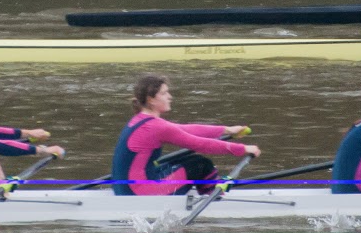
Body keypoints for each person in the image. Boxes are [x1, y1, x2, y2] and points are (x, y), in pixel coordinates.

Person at [110, 73, 260, 196]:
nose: (170, 97)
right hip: (138, 193)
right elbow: (200, 144)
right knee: (200, 164)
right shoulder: (155, 126)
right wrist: (243, 149)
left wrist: (226, 130)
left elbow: (187, 129)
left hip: (123, 189)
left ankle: (209, 190)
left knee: (183, 160)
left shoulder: (140, 119)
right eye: (164, 93)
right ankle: (215, 198)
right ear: (151, 100)